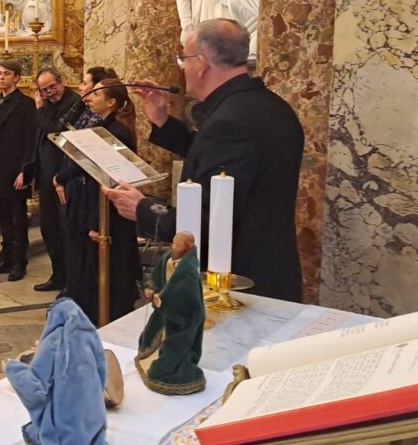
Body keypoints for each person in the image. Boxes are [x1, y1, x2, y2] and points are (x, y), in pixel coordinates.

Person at [103, 18, 305, 302]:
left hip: (237, 283)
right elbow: (218, 159)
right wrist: (162, 120)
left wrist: (142, 209)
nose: (181, 67)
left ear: (201, 64)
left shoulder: (232, 121)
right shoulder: (268, 106)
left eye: (183, 58)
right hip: (271, 267)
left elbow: (206, 218)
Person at [57, 79, 141, 323]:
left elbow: (113, 182)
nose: (89, 98)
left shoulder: (115, 133)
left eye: (96, 94)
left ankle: (108, 323)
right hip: (96, 208)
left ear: (111, 102)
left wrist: (96, 223)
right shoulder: (103, 128)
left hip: (111, 215)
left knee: (111, 278)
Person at [0, 60, 37, 281]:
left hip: (16, 171)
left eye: (6, 74)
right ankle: (5, 259)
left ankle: (19, 262)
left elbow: (30, 140)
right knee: (4, 217)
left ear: (17, 78)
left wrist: (25, 171)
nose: (1, 77)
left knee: (18, 218)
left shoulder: (26, 104)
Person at [32, 69, 79, 293]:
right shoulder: (48, 104)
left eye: (52, 86)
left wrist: (40, 108)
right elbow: (39, 139)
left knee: (65, 232)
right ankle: (57, 276)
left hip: (63, 179)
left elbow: (54, 132)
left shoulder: (74, 103)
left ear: (61, 82)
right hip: (46, 177)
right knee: (49, 229)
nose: (50, 92)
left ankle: (71, 282)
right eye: (44, 90)